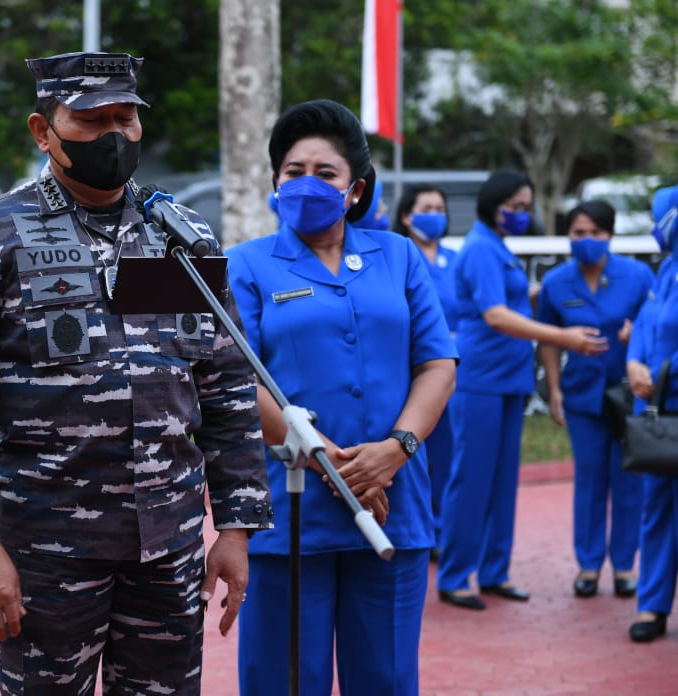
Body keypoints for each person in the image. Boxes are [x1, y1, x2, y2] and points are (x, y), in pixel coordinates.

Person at [0, 51, 273, 695]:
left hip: (167, 547)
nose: (114, 134)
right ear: (42, 130)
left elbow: (224, 388)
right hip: (49, 548)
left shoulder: (181, 238)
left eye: (126, 118)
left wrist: (236, 526)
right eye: (91, 119)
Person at [226, 99, 457, 696]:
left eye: (324, 173)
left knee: (384, 677)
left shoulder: (399, 256)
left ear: (354, 189)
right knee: (284, 678)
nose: (306, 184)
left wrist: (396, 449)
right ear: (274, 185)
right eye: (292, 172)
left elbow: (436, 362)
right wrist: (331, 461)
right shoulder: (246, 265)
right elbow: (236, 377)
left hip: (393, 502)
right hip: (290, 508)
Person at [436, 169, 609, 610]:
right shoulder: (479, 249)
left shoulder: (498, 248)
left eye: (525, 207)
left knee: (502, 481)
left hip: (509, 377)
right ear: (494, 204)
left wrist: (541, 293)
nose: (522, 214)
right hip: (480, 378)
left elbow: (512, 301)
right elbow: (495, 315)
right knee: (471, 478)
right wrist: (563, 336)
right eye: (515, 206)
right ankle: (456, 576)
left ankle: (495, 571)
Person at [537, 200, 654, 598]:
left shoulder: (638, 276)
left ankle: (625, 566)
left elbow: (656, 326)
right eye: (579, 233)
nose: (588, 240)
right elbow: (548, 340)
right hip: (582, 396)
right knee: (588, 479)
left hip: (629, 396)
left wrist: (635, 333)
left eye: (596, 233)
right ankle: (588, 565)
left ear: (610, 235)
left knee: (629, 481)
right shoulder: (556, 282)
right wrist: (553, 389)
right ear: (568, 236)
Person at [393, 183, 458, 556]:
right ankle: (422, 525)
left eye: (439, 206)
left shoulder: (454, 259)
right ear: (407, 215)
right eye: (426, 207)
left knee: (450, 455)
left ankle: (443, 529)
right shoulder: (400, 257)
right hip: (412, 370)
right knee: (414, 449)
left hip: (451, 370)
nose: (435, 213)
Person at [626, 184, 678, 643]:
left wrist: (662, 371)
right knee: (656, 508)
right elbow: (646, 322)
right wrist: (635, 362)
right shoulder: (666, 270)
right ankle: (653, 604)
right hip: (660, 414)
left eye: (658, 217)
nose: (653, 228)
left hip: (667, 395)